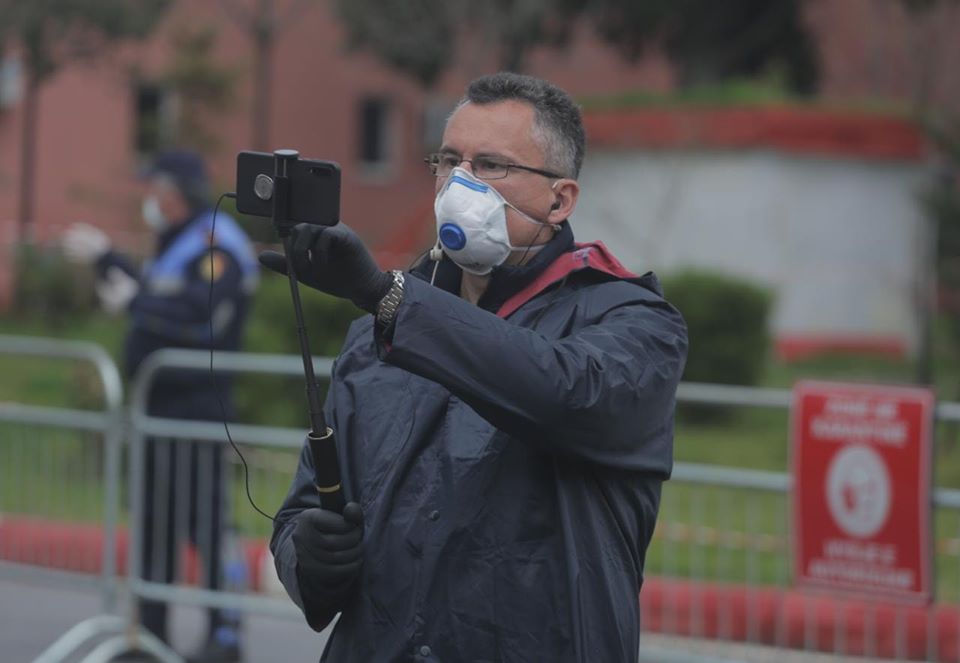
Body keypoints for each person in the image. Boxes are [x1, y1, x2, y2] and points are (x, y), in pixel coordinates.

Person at [265, 72, 688, 662]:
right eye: (448, 161)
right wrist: (307, 552)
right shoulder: (375, 335)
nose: (461, 183)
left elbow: (563, 391)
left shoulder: (634, 323)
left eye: (491, 165)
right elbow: (303, 511)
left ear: (559, 198)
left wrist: (392, 301)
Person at [62, 149, 259, 663]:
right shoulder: (178, 243)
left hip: (197, 407)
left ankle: (226, 636)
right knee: (155, 524)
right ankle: (149, 635)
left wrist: (133, 303)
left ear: (178, 193)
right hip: (158, 408)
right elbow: (154, 292)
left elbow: (198, 318)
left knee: (206, 525)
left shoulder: (219, 247)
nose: (152, 199)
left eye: (158, 190)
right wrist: (108, 256)